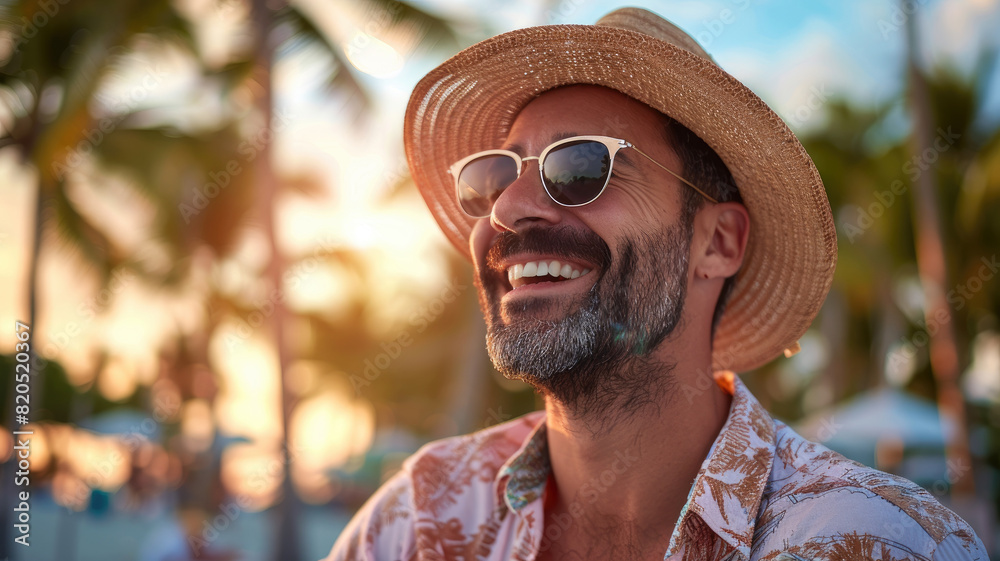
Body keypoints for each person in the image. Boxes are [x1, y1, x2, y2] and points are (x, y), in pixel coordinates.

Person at [326, 8, 987, 560]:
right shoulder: (420, 519)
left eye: (581, 166)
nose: (506, 208)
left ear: (717, 242)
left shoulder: (874, 541)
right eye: (494, 176)